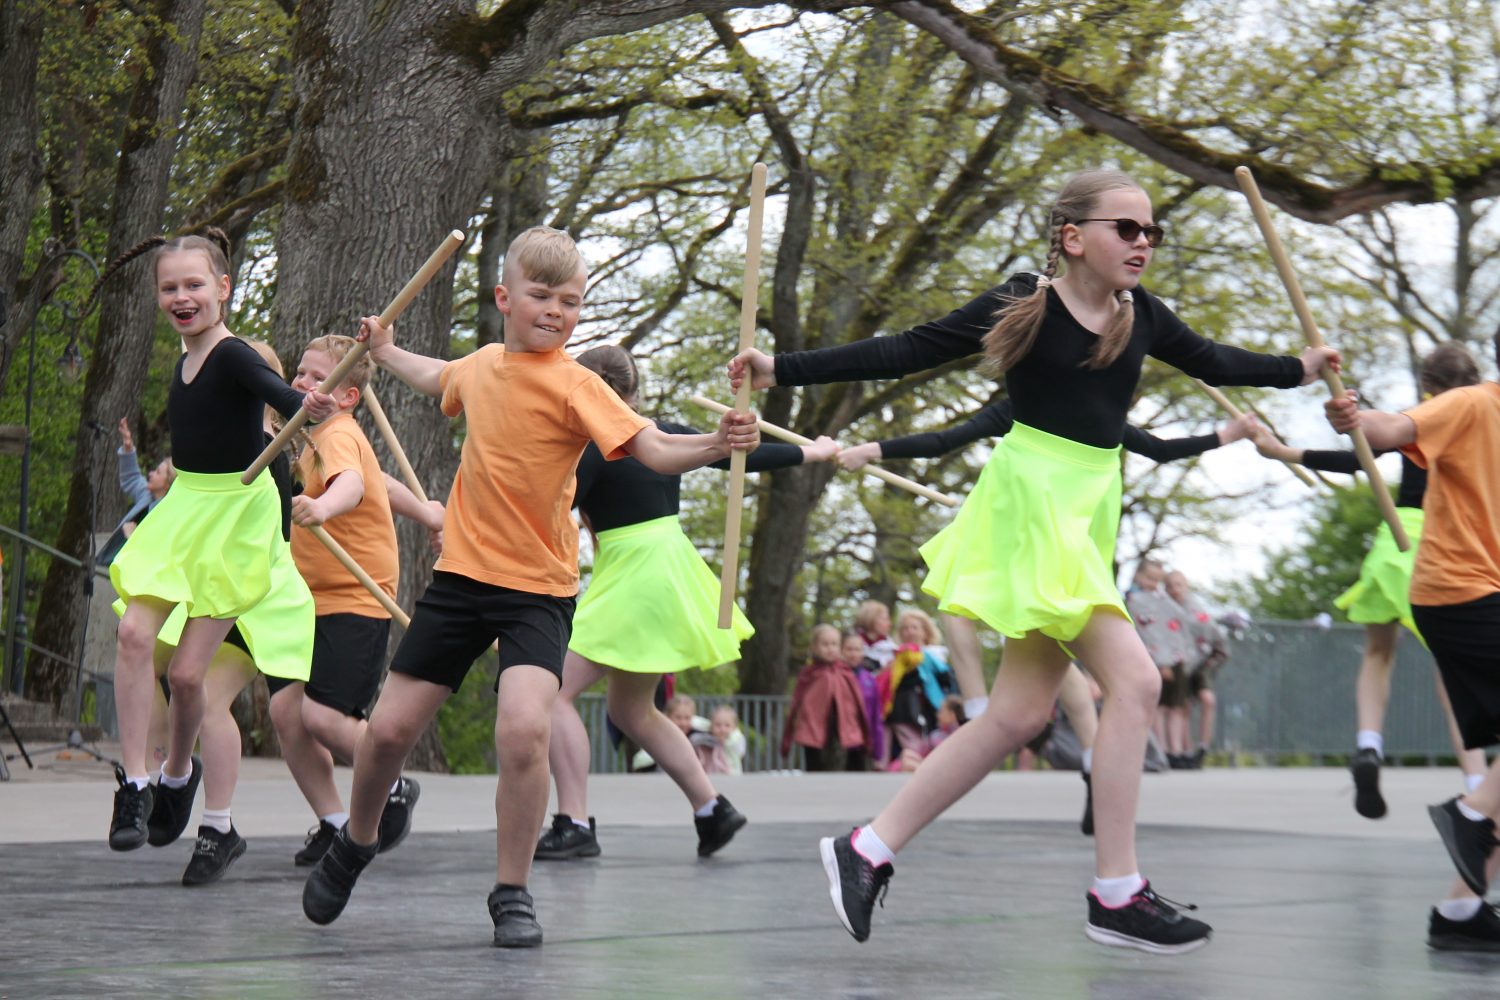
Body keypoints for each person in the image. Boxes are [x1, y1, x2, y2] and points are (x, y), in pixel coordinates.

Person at [729, 168, 1337, 953]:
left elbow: (1218, 361)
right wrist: (782, 368)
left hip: (1085, 512)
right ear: (1073, 237)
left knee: (1018, 716)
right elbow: (908, 349)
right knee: (1138, 681)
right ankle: (1116, 891)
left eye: (1152, 232)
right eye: (1128, 228)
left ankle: (867, 848)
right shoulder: (1026, 301)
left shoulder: (1144, 316)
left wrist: (1301, 368)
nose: (1144, 243)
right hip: (1034, 506)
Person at [300, 226, 758, 949]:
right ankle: (355, 843)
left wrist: (714, 443)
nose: (556, 311)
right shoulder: (483, 365)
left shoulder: (580, 385)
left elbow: (653, 447)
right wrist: (383, 351)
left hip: (538, 592)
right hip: (461, 580)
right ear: (505, 298)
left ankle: (512, 890)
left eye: (570, 302)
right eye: (542, 296)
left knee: (524, 730)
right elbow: (437, 375)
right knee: (386, 733)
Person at [536, 344, 834, 861]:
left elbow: (543, 509)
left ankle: (574, 821)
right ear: (635, 391)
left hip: (635, 574)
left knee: (551, 693)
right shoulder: (664, 432)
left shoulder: (593, 449)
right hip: (667, 568)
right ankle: (711, 808)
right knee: (632, 710)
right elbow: (741, 454)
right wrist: (814, 452)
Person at [102, 229, 334, 854]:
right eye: (169, 287)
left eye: (194, 285)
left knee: (187, 676)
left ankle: (179, 776)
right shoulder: (184, 363)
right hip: (188, 507)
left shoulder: (232, 355)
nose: (182, 297)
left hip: (236, 517)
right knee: (133, 635)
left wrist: (306, 403)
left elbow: (279, 395)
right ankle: (137, 782)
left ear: (223, 288)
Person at [839, 400, 1257, 721]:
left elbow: (1160, 449)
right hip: (1023, 548)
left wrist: (1226, 434)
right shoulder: (1029, 405)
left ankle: (1008, 719)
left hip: (1049, 555)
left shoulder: (1094, 413)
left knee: (1016, 635)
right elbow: (943, 440)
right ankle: (989, 710)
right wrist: (872, 450)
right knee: (974, 614)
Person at [1252, 342, 1489, 817]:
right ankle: (1477, 782)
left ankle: (1368, 745)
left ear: (1426, 384)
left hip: (1392, 540)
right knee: (1452, 669)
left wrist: (1283, 451)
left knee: (1378, 653)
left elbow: (1359, 457)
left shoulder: (1420, 416)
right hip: (1440, 545)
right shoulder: (1475, 417)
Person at [1324, 340, 1500, 951]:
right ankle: (1470, 813)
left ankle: (1460, 911)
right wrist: (1354, 418)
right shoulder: (1474, 403)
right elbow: (1393, 428)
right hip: (1457, 589)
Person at [271, 334, 447, 867]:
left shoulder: (338, 433)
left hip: (355, 594)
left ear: (348, 396)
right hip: (308, 599)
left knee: (324, 717)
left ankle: (391, 783)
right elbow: (377, 482)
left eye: (317, 376)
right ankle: (334, 822)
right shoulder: (311, 436)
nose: (303, 382)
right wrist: (427, 511)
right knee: (287, 713)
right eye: (300, 372)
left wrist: (323, 508)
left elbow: (350, 483)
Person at [1125, 558, 1196, 767]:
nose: (1153, 583)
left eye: (1157, 580)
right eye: (1149, 578)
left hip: (1176, 659)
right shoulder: (1136, 600)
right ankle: (1162, 749)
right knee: (1158, 707)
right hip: (1155, 659)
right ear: (1138, 576)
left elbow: (1178, 623)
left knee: (1176, 707)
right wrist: (1162, 662)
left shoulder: (1161, 600)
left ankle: (1176, 750)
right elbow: (1149, 633)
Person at [1163, 570, 1228, 769]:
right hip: (1178, 664)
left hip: (1200, 663)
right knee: (1182, 707)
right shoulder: (1164, 609)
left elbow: (1214, 635)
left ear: (1186, 586)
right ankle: (1182, 751)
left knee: (1208, 700)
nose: (1175, 589)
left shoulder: (1196, 608)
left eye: (1179, 584)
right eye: (1170, 585)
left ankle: (1202, 747)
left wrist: (1213, 658)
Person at [782, 624, 868, 772]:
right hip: (814, 726)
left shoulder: (845, 672)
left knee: (851, 764)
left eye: (834, 644)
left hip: (844, 727)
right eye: (825, 644)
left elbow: (858, 703)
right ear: (815, 647)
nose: (830, 648)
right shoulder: (810, 673)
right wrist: (790, 733)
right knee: (815, 764)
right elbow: (797, 700)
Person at [841, 629, 883, 770]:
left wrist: (878, 751)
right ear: (841, 651)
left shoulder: (869, 680)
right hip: (841, 742)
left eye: (857, 649)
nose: (853, 654)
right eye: (849, 649)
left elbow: (876, 716)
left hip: (863, 742)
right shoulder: (836, 677)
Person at [709, 705, 747, 775]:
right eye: (718, 725)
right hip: (713, 775)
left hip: (733, 774)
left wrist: (727, 742)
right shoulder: (706, 740)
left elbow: (741, 753)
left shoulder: (737, 739)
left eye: (727, 725)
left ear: (734, 727)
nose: (722, 729)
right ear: (711, 726)